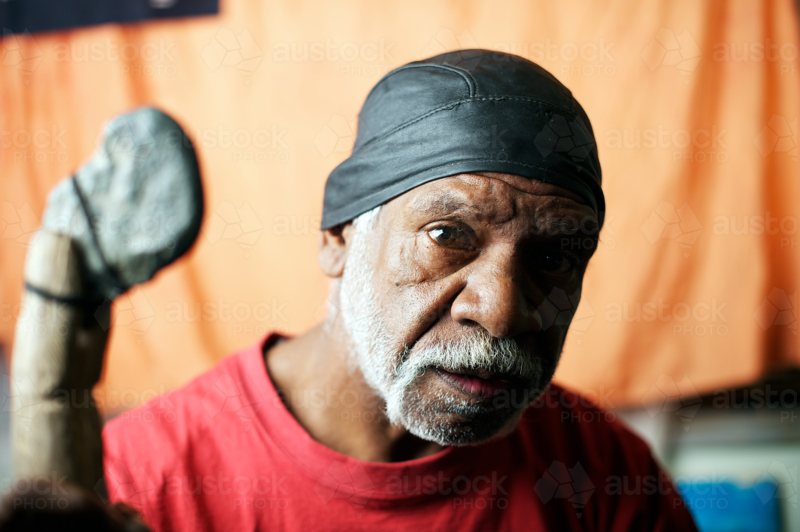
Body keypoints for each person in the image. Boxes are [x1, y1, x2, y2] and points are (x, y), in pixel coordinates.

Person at [1, 50, 699, 531]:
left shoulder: (606, 477)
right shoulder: (139, 480)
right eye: (447, 235)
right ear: (337, 237)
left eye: (554, 256)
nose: (502, 310)